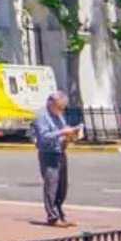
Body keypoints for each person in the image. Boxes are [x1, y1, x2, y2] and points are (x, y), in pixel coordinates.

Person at [33, 90, 81, 227]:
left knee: (62, 187)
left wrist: (71, 132)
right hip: (48, 153)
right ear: (50, 103)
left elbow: (63, 127)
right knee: (51, 186)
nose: (61, 110)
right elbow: (44, 136)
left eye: (62, 108)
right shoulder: (41, 116)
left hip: (60, 151)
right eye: (59, 107)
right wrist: (61, 132)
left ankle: (60, 213)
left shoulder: (58, 115)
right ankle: (52, 217)